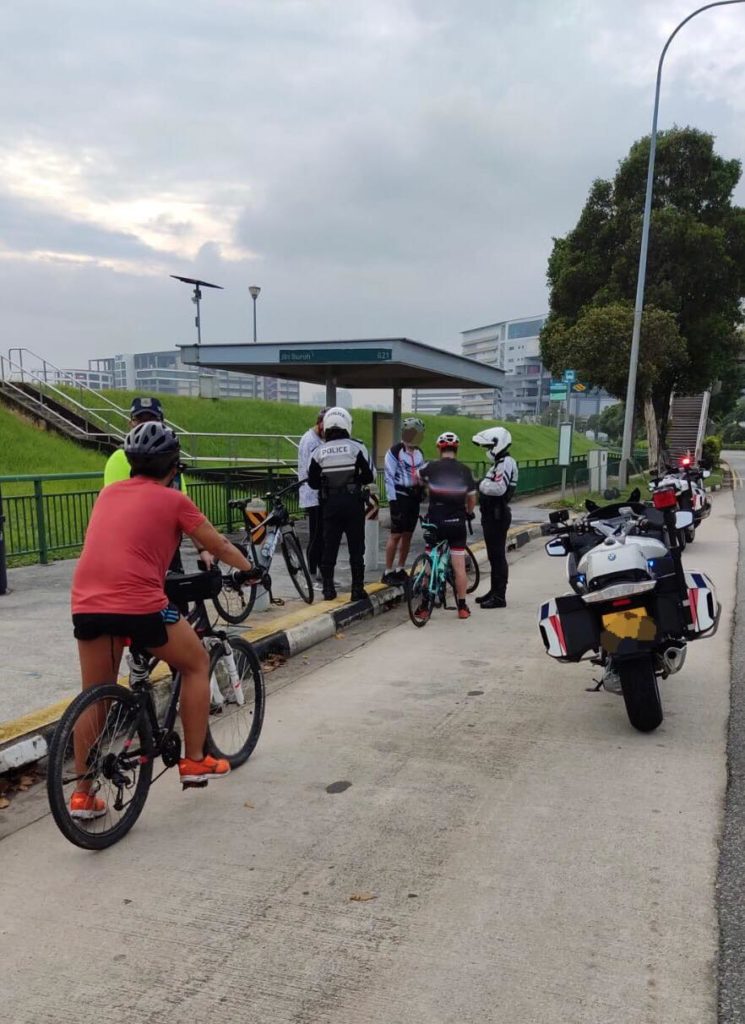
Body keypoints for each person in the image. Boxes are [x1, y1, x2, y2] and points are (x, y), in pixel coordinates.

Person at [69, 421, 258, 819]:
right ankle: (193, 760)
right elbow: (216, 544)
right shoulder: (174, 500)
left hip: (86, 602)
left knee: (96, 695)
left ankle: (83, 795)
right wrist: (249, 570)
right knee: (195, 663)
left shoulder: (107, 495)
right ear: (173, 468)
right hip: (139, 604)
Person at [104, 396, 210, 572]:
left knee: (177, 594)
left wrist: (203, 548)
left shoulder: (168, 461)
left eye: (152, 419)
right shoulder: (119, 459)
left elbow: (186, 510)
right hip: (132, 551)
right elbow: (115, 512)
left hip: (167, 550)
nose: (146, 425)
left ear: (162, 423)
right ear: (131, 423)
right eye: (140, 419)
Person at [306, 406, 375, 602]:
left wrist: (327, 484)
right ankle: (357, 589)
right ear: (346, 424)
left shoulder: (318, 452)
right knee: (356, 546)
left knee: (330, 545)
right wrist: (354, 481)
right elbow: (369, 475)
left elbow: (312, 482)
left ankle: (328, 589)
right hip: (353, 503)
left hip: (330, 504)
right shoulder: (357, 447)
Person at [417, 432, 477, 620]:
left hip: (435, 521)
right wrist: (468, 511)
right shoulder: (465, 471)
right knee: (458, 565)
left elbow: (416, 477)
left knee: (429, 562)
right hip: (457, 522)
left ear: (439, 449)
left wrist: (426, 487)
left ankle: (425, 607)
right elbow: (472, 498)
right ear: (456, 449)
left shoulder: (431, 467)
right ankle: (462, 607)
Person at [472, 427, 518, 609]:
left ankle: (500, 596)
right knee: (493, 555)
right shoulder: (498, 464)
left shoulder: (507, 462)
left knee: (498, 555)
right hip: (491, 514)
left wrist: (480, 484)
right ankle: (494, 591)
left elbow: (498, 488)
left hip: (498, 514)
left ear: (498, 444)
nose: (487, 450)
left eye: (489, 445)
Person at [382, 416, 426, 584]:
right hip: (399, 497)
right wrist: (393, 503)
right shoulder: (394, 452)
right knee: (395, 535)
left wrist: (422, 487)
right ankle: (388, 571)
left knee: (408, 534)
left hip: (413, 498)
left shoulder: (419, 453)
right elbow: (388, 479)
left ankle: (400, 568)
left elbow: (421, 474)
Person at [297, 407, 327, 585]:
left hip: (316, 493)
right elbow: (312, 469)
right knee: (317, 535)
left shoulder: (315, 439)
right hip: (313, 494)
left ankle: (318, 571)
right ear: (321, 423)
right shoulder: (311, 441)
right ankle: (313, 572)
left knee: (320, 534)